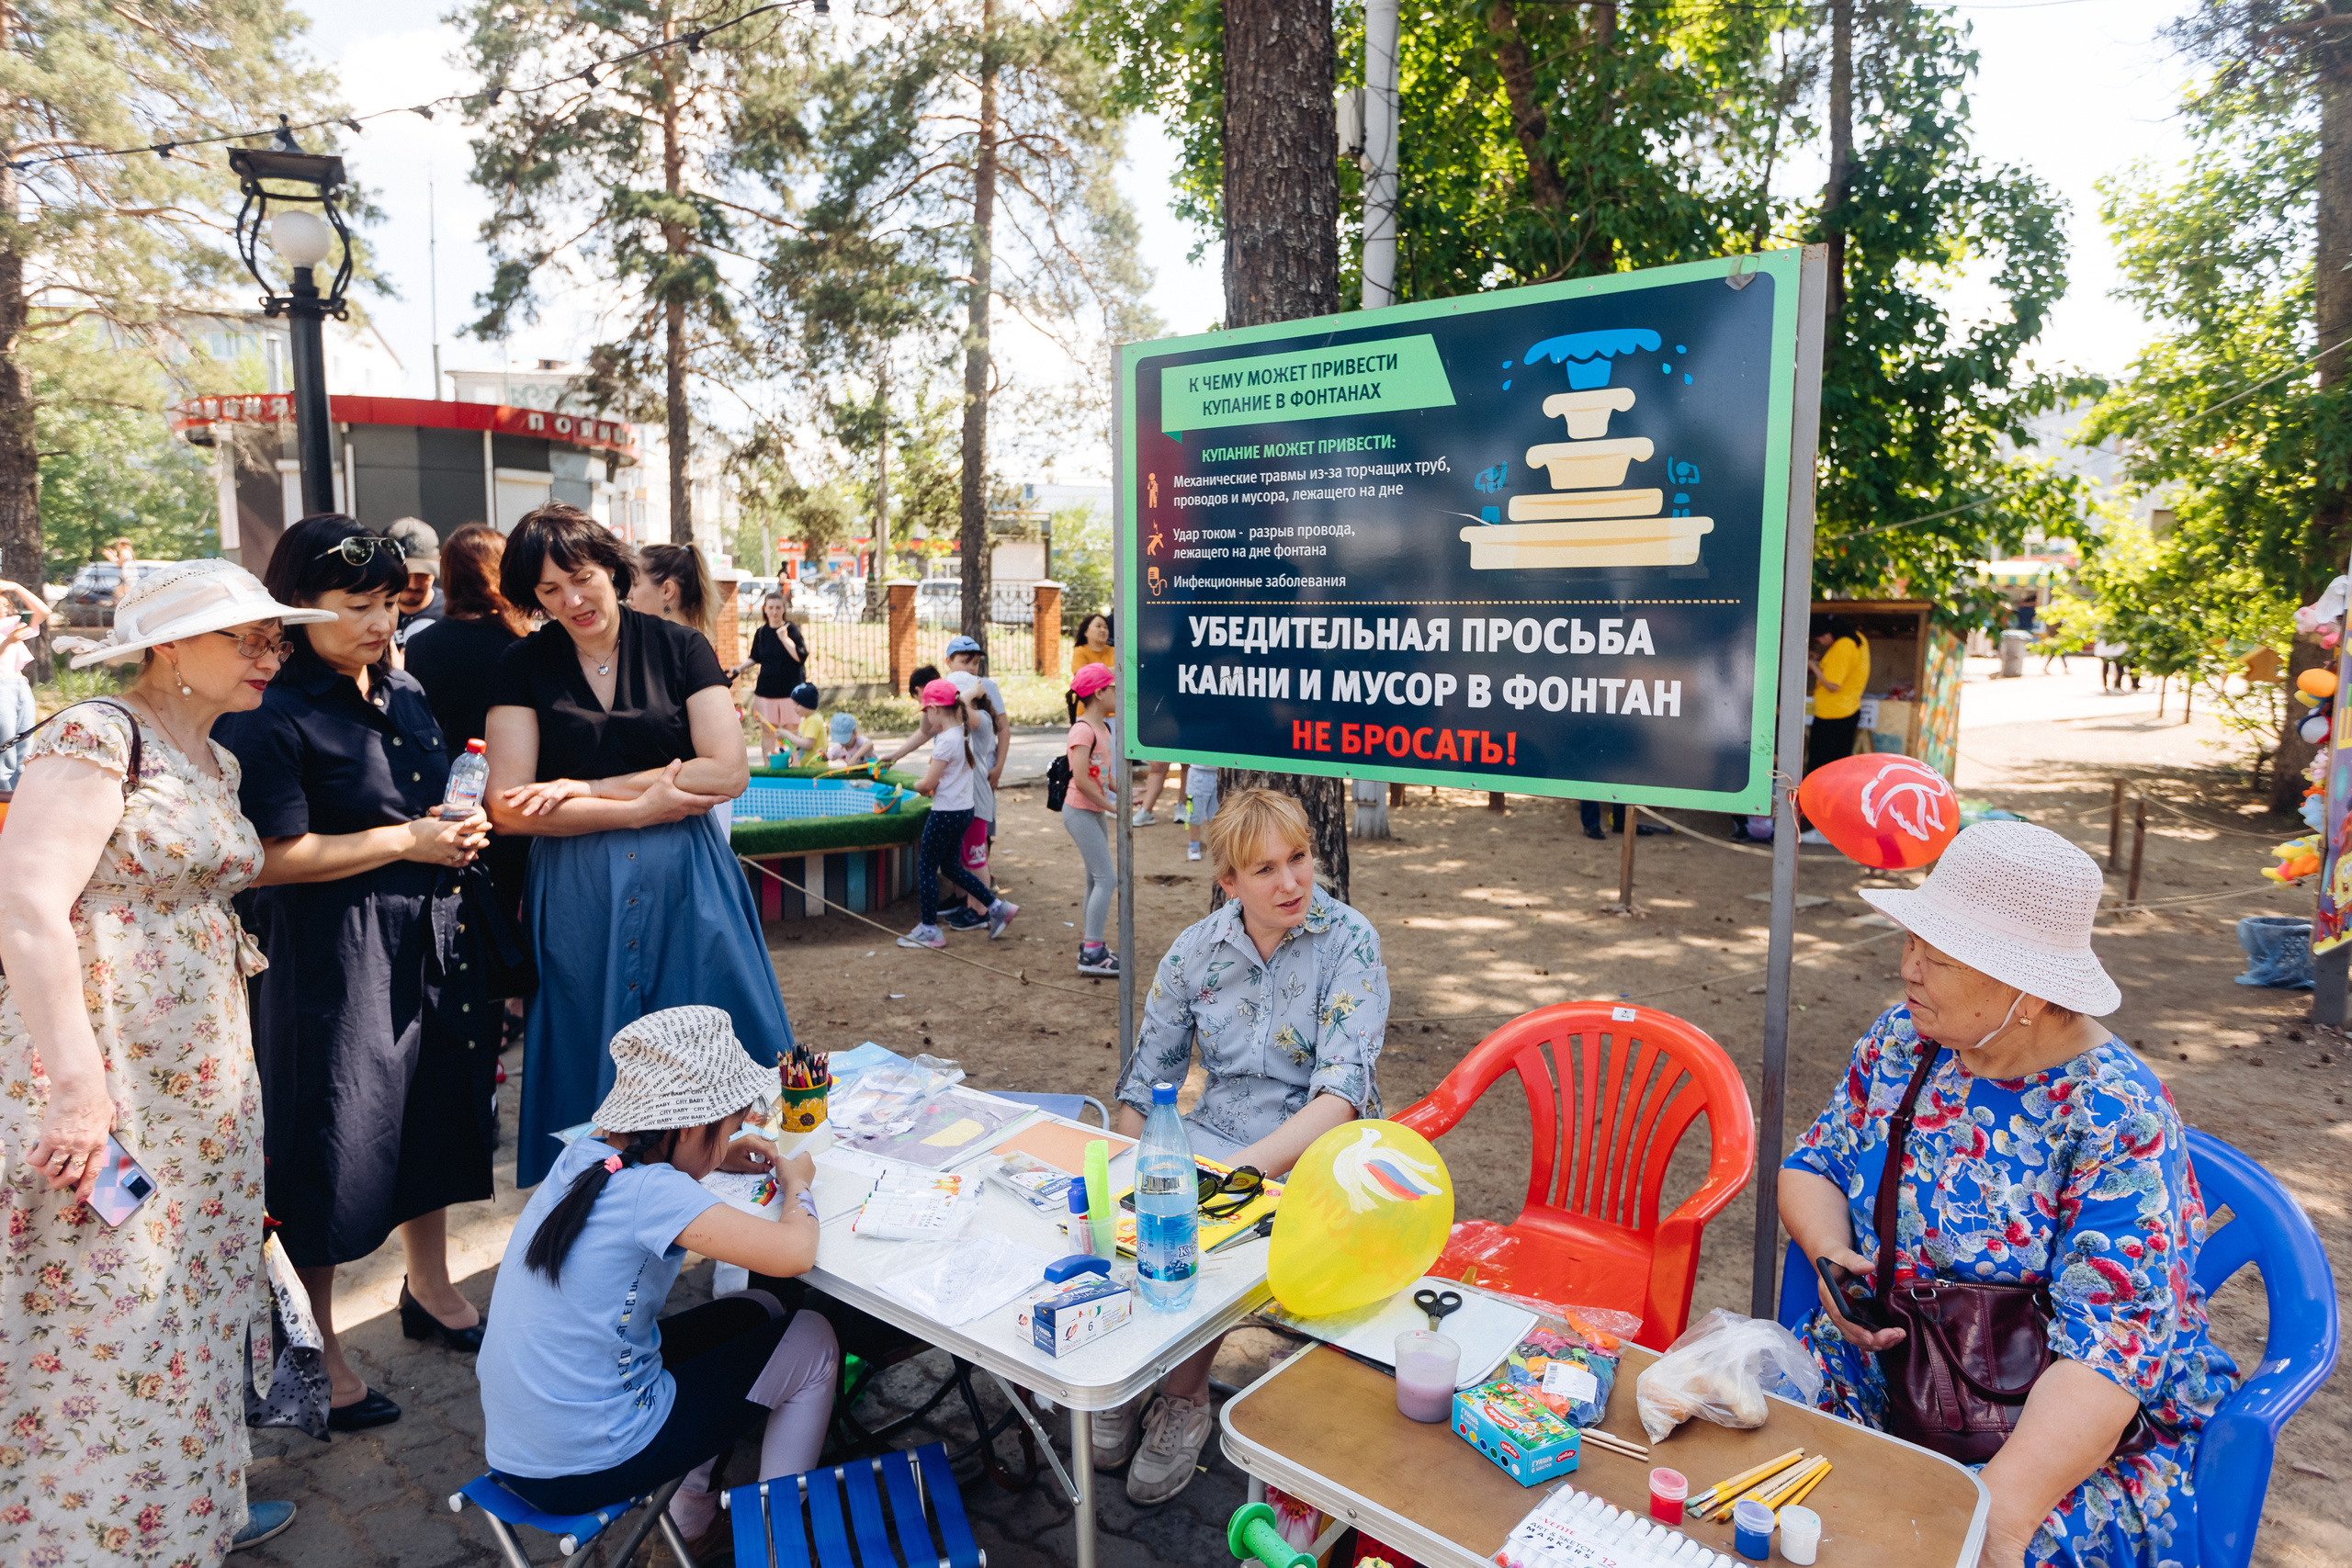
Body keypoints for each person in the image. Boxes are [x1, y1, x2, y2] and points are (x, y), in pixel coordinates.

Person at [1780, 822, 2235, 1568]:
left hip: (2060, 1443)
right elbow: (1813, 1163)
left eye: (1941, 957)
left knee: (1913, 1544)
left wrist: (1998, 1513)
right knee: (1739, 1460)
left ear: (2027, 994)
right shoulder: (1905, 1043)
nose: (1910, 970)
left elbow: (2107, 1360)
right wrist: (1833, 1250)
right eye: (1912, 943)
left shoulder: (2116, 1117)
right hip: (1891, 1369)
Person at [0, 558, 333, 1561]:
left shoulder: (217, 759)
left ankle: (192, 1511)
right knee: (107, 1309)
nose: (271, 653)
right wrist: (76, 1090)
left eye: (275, 636)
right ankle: (94, 1539)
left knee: (195, 1292)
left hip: (203, 1078)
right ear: (170, 648)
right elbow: (25, 910)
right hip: (109, 1074)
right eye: (247, 636)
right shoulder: (96, 734)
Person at [215, 515, 503, 1433]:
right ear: (297, 610)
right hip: (331, 956)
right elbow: (270, 856)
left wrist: (453, 830)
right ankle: (323, 1353)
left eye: (389, 604)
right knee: (332, 1145)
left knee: (434, 1114)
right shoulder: (270, 709)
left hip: (429, 938)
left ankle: (432, 1286)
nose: (379, 625)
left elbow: (426, 804)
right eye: (355, 608)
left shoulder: (405, 687)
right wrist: (406, 841)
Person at [481, 502, 787, 1190]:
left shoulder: (681, 648)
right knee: (594, 1035)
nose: (572, 599)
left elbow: (726, 770)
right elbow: (509, 804)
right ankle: (600, 1205)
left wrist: (595, 786)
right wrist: (640, 807)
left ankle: (742, 1205)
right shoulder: (522, 664)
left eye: (581, 576)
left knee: (710, 1029)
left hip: (687, 877)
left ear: (610, 567)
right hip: (579, 886)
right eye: (549, 590)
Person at [1101, 787, 1388, 1503]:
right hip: (1208, 1135)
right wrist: (1125, 1181)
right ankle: (1127, 1370)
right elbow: (1147, 1085)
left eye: (1298, 858)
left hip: (1314, 1153)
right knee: (1127, 1213)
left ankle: (1184, 1398)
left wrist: (1226, 1179)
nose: (1291, 882)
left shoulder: (1350, 941)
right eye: (1264, 869)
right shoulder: (1195, 952)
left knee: (1202, 1229)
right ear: (1227, 882)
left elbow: (1341, 1095)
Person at [479, 1007, 838, 1562]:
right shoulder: (654, 1193)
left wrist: (718, 1160)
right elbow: (795, 1252)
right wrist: (797, 1184)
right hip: (591, 1463)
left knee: (760, 1307)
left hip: (523, 1447)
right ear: (690, 1128)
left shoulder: (588, 1155)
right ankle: (775, 1547)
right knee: (814, 1337)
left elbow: (666, 1177)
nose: (734, 1137)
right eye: (729, 1128)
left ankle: (690, 1517)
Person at [391, 521, 536, 1064]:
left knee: (460, 939)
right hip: (518, 808)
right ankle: (509, 1022)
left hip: (447, 811)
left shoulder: (423, 647)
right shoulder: (521, 648)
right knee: (512, 928)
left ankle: (481, 1051)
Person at [893, 677, 1018, 950]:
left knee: (926, 868)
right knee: (949, 866)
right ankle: (997, 907)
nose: (926, 716)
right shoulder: (962, 732)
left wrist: (910, 786)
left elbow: (928, 785)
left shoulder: (948, 741)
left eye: (927, 710)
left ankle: (929, 930)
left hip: (945, 812)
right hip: (963, 810)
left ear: (936, 709)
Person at [1062, 662, 1121, 976]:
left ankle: (1091, 944)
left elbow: (1102, 776)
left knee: (1094, 879)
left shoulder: (1104, 728)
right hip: (1079, 811)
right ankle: (1093, 951)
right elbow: (1082, 779)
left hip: (1093, 810)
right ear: (1099, 693)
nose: (1118, 693)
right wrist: (1113, 808)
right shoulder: (1082, 730)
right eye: (1113, 688)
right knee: (1106, 879)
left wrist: (1124, 794)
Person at [941, 669, 1001, 928]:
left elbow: (962, 708)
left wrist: (970, 693)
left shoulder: (983, 719)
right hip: (967, 800)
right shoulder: (962, 720)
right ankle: (973, 905)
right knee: (968, 856)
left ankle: (981, 911)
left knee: (977, 857)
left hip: (978, 800)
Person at [742, 591, 811, 759]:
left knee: (791, 729)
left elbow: (800, 657)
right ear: (764, 609)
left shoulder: (791, 630)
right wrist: (738, 668)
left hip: (791, 692)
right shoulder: (761, 633)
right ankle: (770, 766)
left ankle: (793, 766)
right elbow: (754, 658)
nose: (774, 611)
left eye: (778, 607)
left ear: (784, 609)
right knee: (768, 731)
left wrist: (785, 639)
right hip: (766, 691)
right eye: (770, 607)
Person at [0, 575, 48, 791]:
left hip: (20, 684)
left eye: (5, 604)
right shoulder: (9, 634)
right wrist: (9, 641)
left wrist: (17, 587)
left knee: (24, 741)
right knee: (5, 744)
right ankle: (4, 795)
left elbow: (44, 612)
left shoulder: (10, 625)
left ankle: (18, 796)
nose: (2, 608)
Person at [1805, 615, 1869, 773]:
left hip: (1831, 715)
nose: (1819, 642)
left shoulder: (1842, 646)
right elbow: (1845, 668)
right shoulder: (1858, 639)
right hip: (1849, 710)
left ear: (1827, 634)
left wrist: (1813, 666)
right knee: (1839, 764)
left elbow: (1833, 685)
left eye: (1818, 638)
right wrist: (1821, 661)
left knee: (1820, 766)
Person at [628, 540, 720, 644]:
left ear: (667, 590)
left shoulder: (688, 648)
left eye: (635, 584)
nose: (629, 595)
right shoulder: (649, 642)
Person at [386, 517, 444, 649]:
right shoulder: (369, 615)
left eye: (423, 574)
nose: (413, 584)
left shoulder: (453, 613)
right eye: (404, 574)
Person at [1182, 762, 1218, 862]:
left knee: (1215, 816)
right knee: (1195, 815)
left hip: (1218, 773)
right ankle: (1193, 846)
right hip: (1197, 774)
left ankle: (1215, 847)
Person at [1071, 610, 1114, 674]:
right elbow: (1081, 675)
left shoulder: (1114, 651)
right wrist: (1111, 671)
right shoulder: (1080, 652)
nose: (1103, 630)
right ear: (1086, 632)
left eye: (1105, 627)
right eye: (1098, 626)